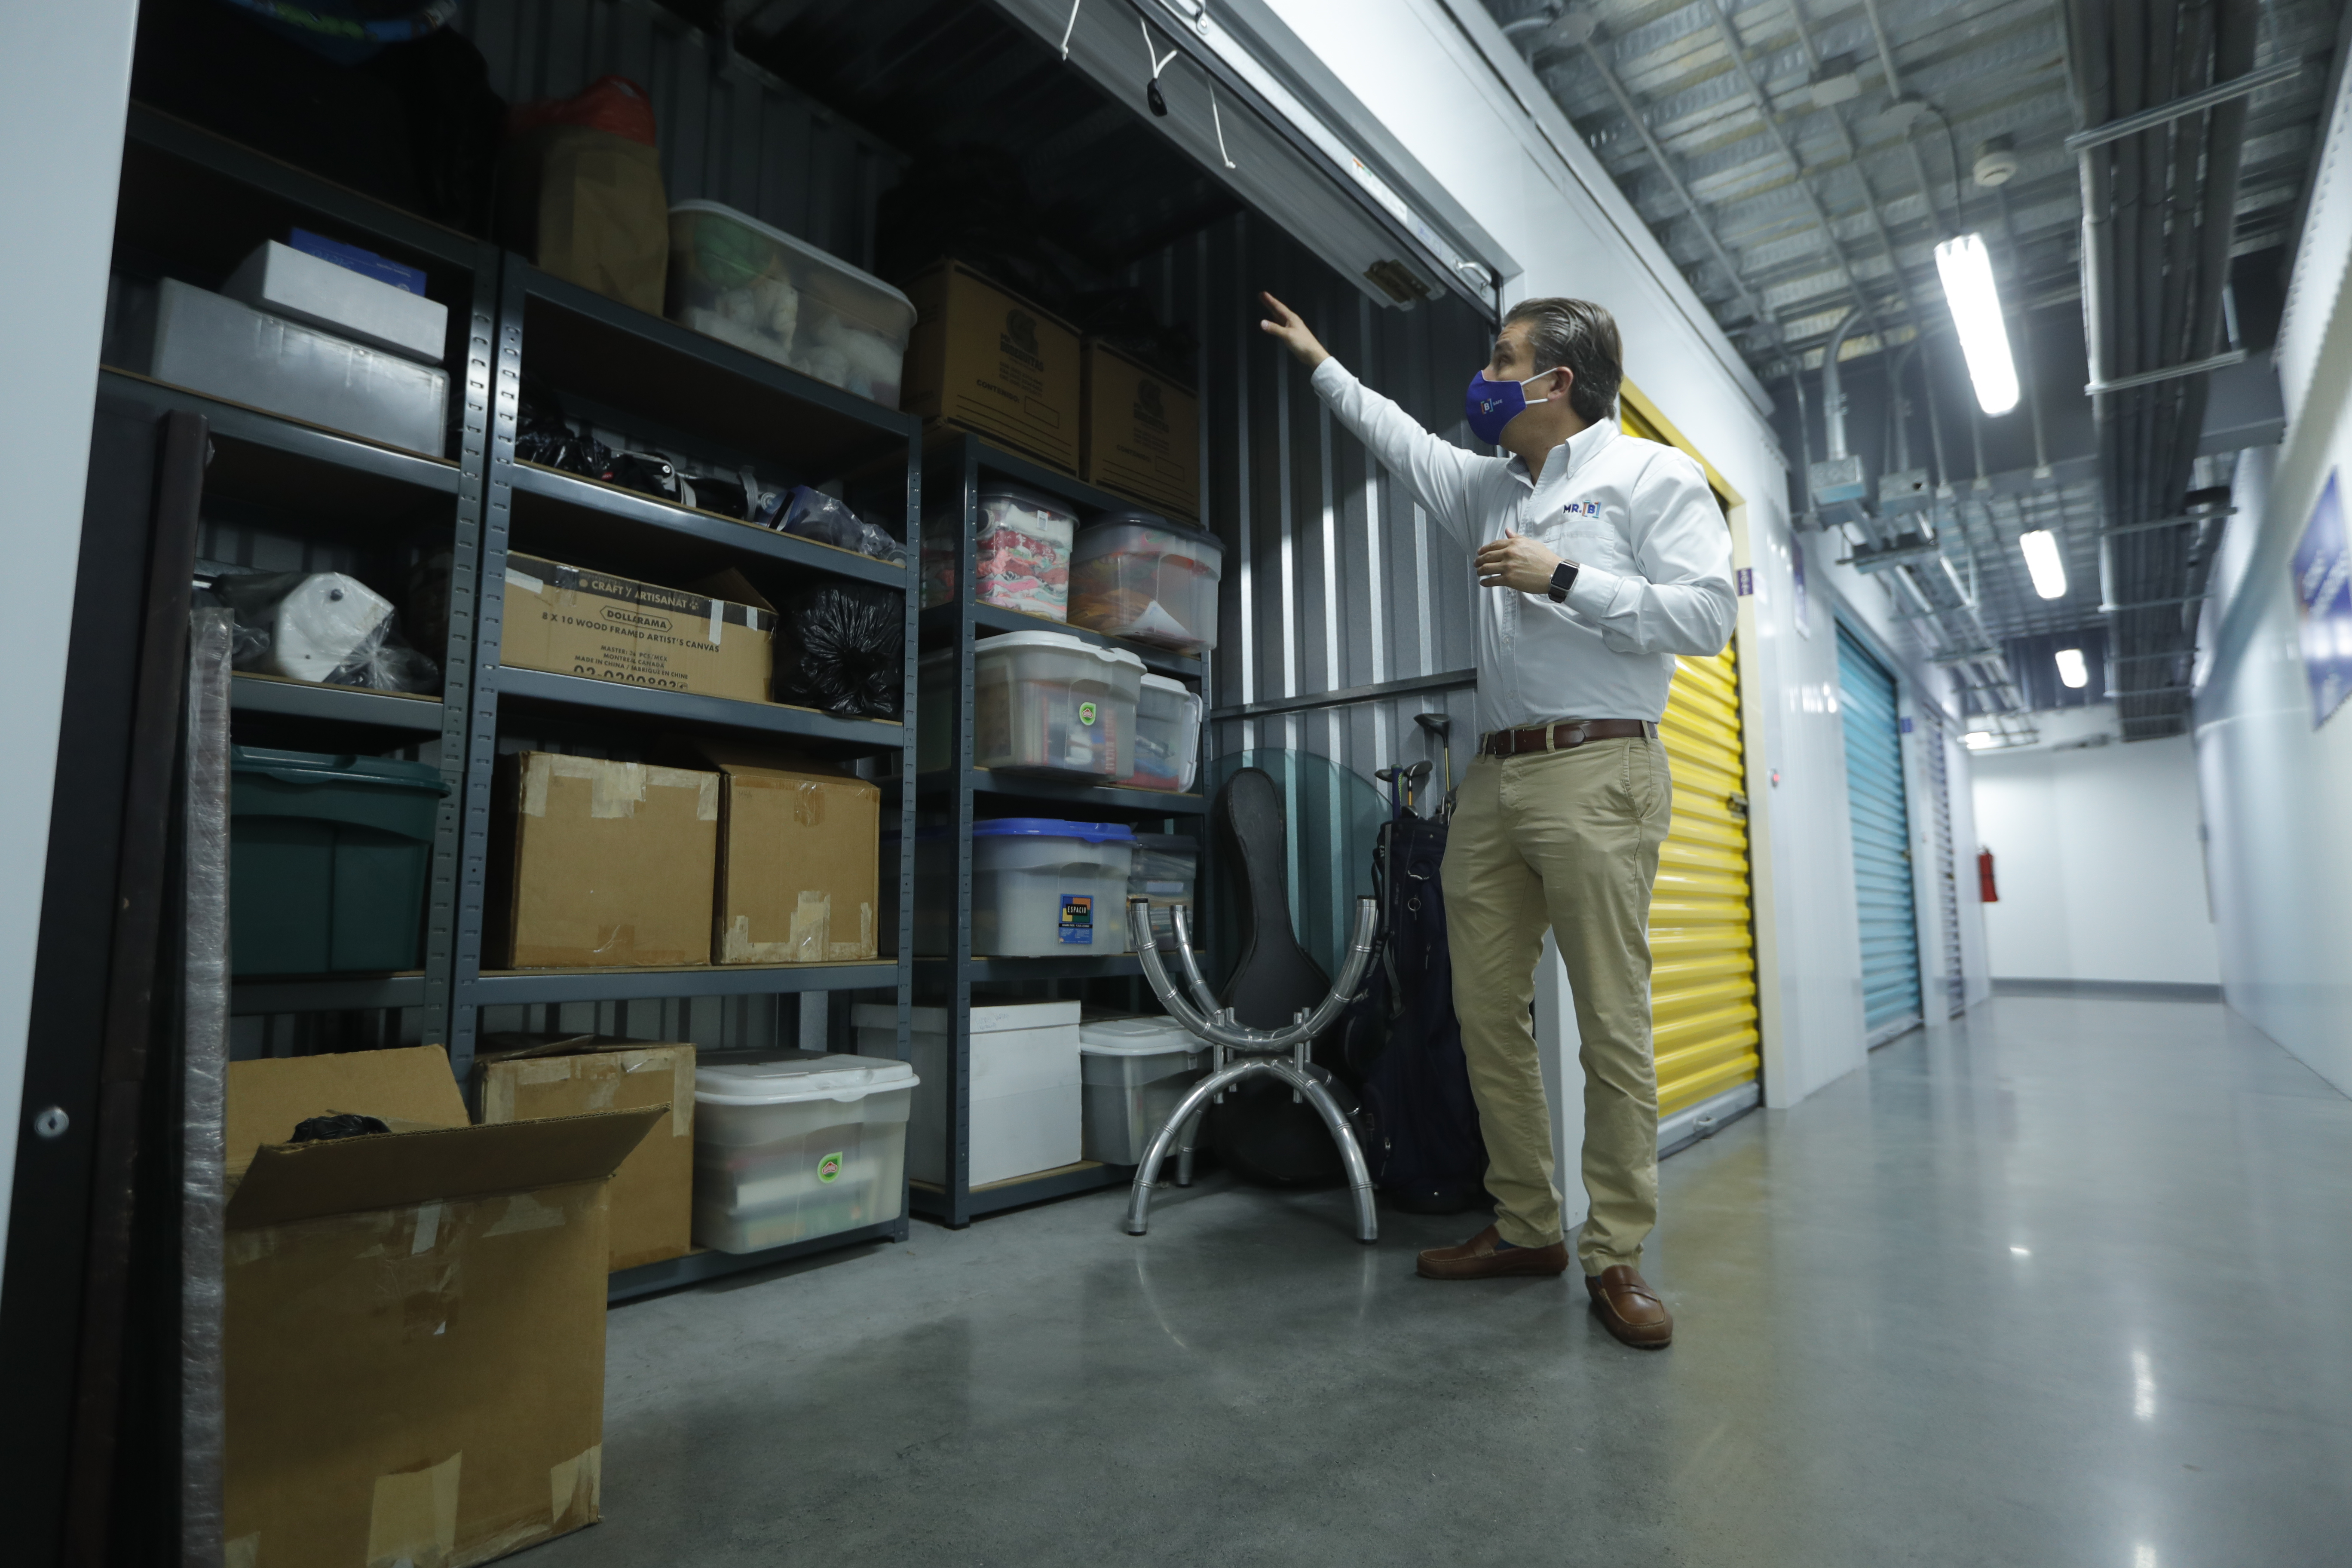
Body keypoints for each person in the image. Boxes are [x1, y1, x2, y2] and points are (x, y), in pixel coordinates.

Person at [1258, 291, 1735, 1350]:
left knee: (1612, 1021)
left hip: (1601, 768)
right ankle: (1527, 1224)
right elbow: (1397, 439)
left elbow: (1708, 614)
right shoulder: (1487, 489)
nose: (1483, 374)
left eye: (1501, 357)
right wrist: (1322, 362)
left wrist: (1561, 576)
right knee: (1483, 1012)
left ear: (1554, 381)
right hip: (1496, 779)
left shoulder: (1650, 476)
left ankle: (1616, 1253)